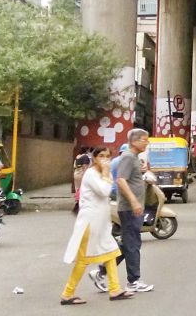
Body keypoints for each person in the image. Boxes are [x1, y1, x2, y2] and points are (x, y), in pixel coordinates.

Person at [60, 146, 133, 305]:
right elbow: (105, 191)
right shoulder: (92, 174)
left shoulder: (101, 173)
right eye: (101, 156)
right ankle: (68, 293)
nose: (105, 159)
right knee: (83, 260)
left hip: (100, 224)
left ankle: (115, 289)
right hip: (90, 224)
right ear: (94, 158)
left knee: (111, 252)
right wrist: (107, 173)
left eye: (107, 156)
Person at [89, 129, 154, 294]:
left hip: (133, 208)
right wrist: (134, 201)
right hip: (129, 208)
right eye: (144, 140)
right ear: (134, 141)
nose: (147, 143)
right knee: (132, 244)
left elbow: (129, 178)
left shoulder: (133, 158)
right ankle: (134, 281)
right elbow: (121, 180)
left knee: (128, 244)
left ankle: (101, 272)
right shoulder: (127, 157)